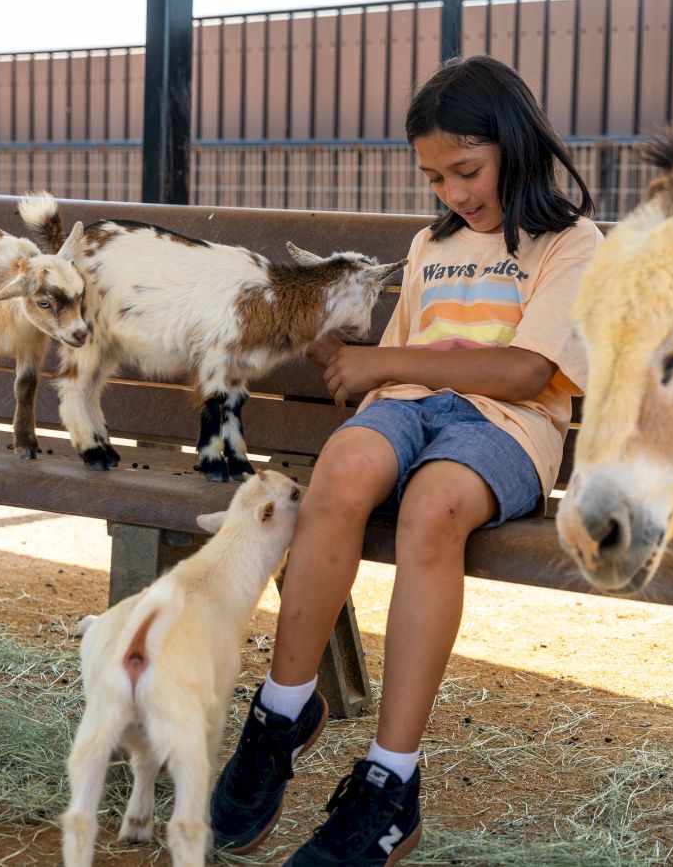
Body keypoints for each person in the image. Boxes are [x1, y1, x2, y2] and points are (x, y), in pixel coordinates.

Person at [208, 54, 601, 866]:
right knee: (340, 475)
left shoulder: (571, 243)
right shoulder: (432, 244)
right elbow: (391, 364)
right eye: (435, 178)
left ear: (515, 146)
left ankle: (390, 786)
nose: (453, 193)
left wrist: (386, 367)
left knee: (434, 508)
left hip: (508, 427)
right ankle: (282, 715)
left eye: (466, 170)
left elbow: (528, 372)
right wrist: (350, 358)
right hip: (411, 406)